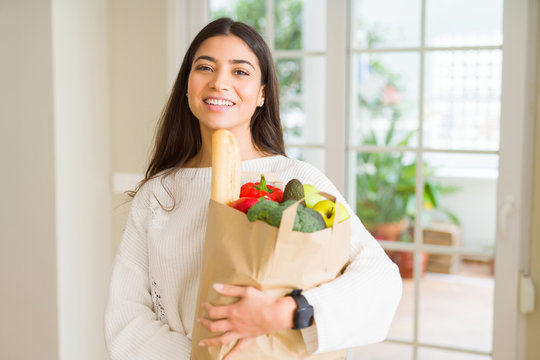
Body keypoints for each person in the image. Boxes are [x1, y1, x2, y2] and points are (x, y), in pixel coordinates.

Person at [104, 17, 402, 360]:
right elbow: (126, 317)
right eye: (205, 67)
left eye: (240, 71)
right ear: (187, 85)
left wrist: (287, 312)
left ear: (262, 93)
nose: (219, 83)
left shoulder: (298, 181)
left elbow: (380, 280)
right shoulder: (158, 195)